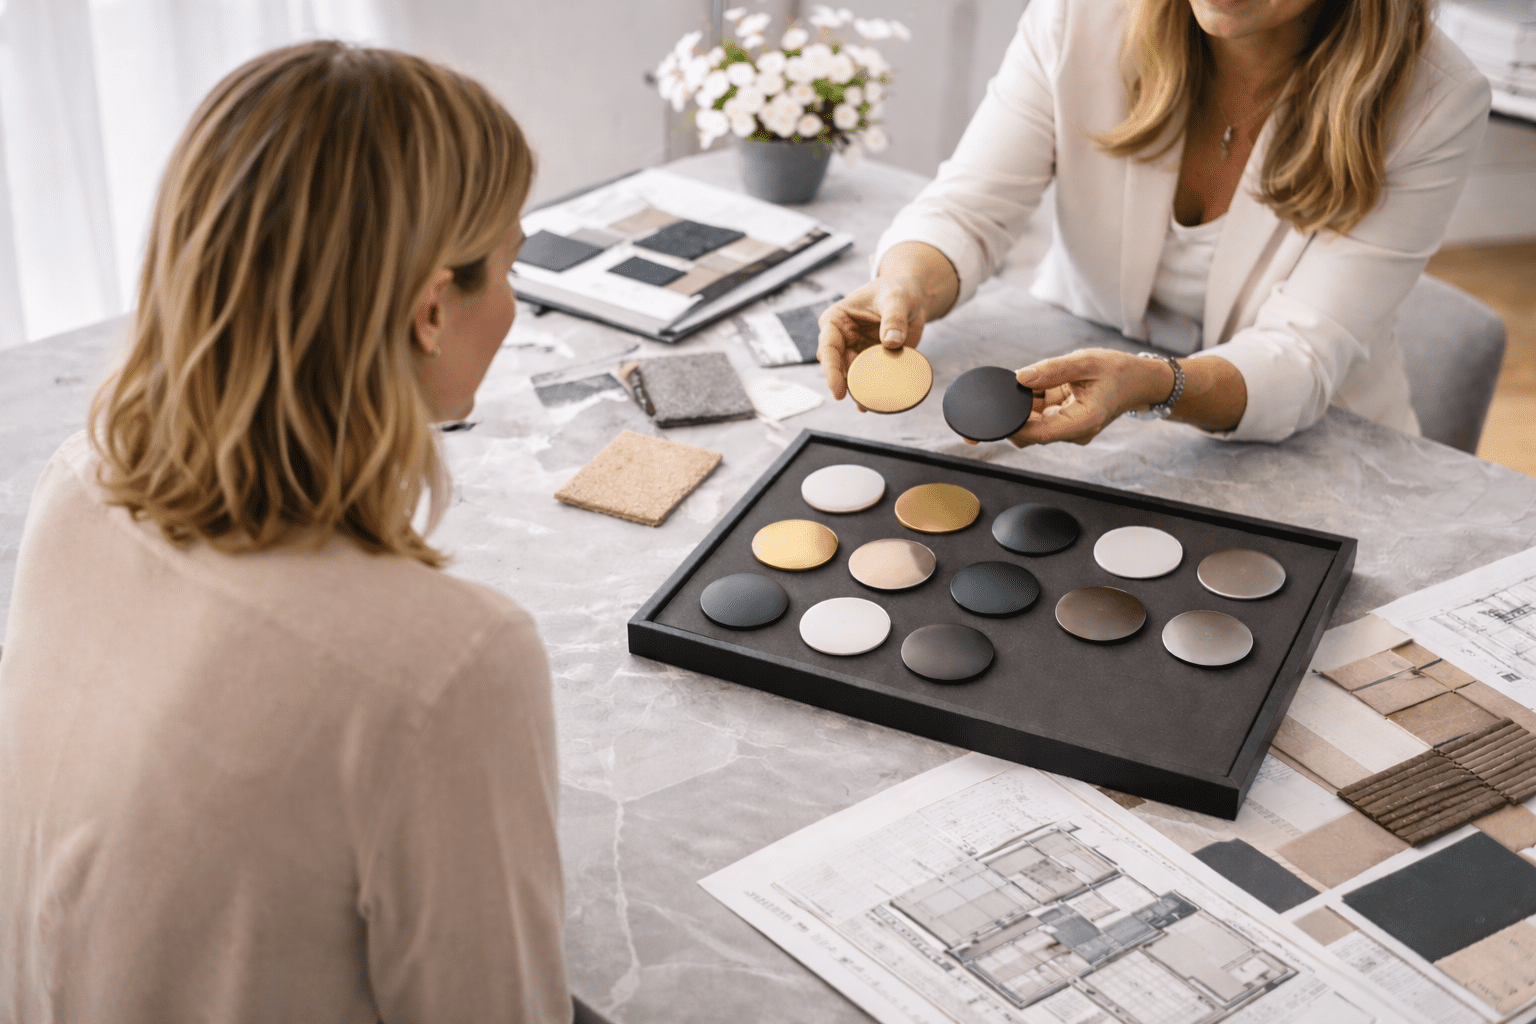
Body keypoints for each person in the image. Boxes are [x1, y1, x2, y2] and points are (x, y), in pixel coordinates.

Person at [0, 42, 574, 1023]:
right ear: (432, 308)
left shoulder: (76, 485)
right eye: (513, 263)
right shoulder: (454, 666)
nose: (515, 303)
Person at [817, 0, 1491, 445]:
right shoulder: (1082, 15)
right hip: (1082, 386)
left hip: (1306, 440)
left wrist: (1155, 384)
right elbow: (970, 206)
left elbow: (1301, 356)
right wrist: (906, 278)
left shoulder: (1435, 100)